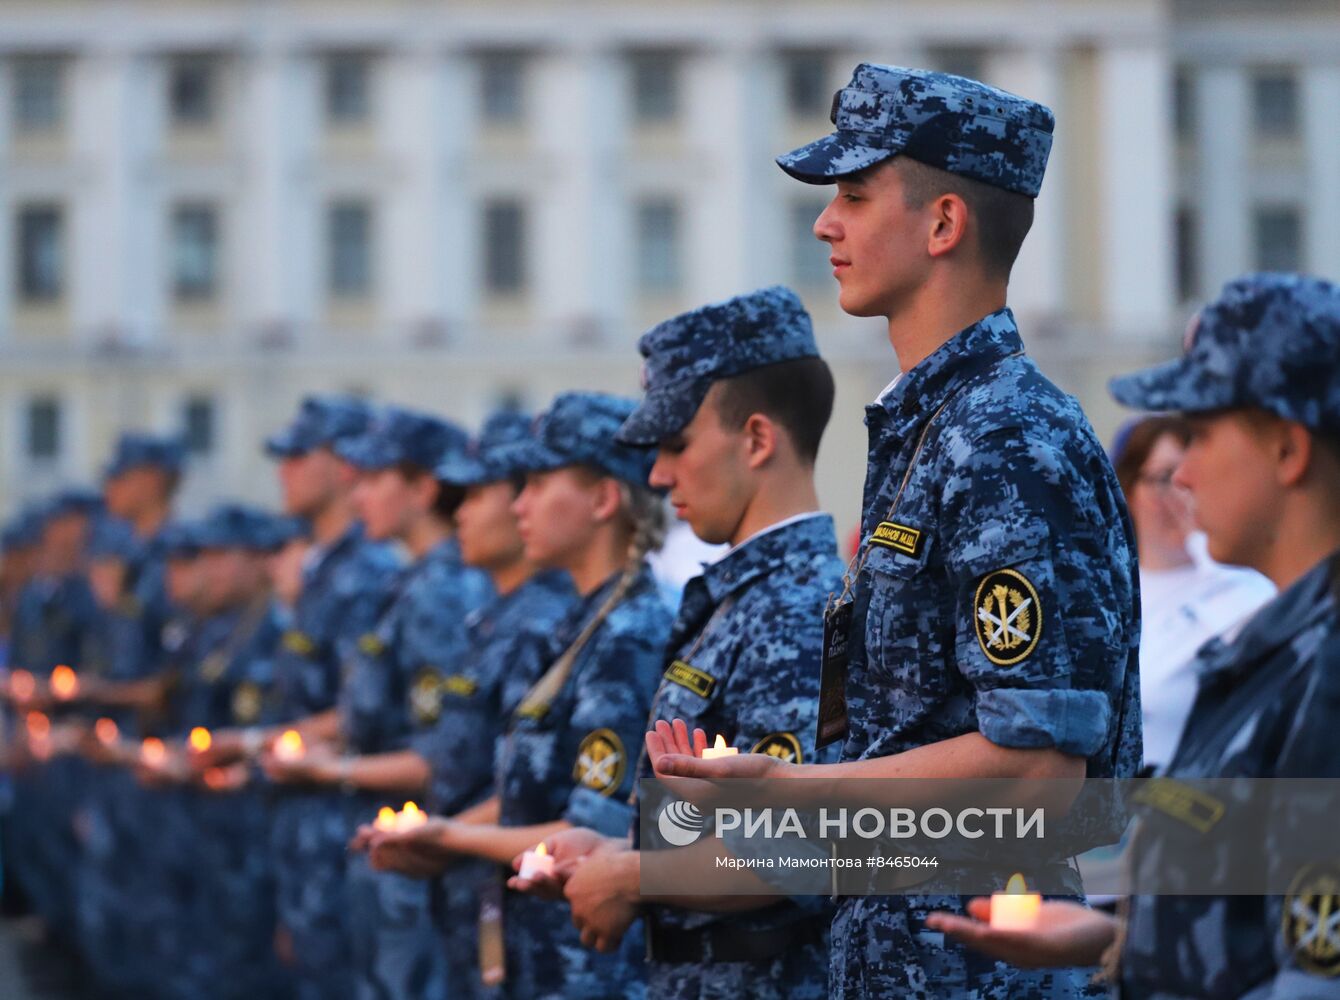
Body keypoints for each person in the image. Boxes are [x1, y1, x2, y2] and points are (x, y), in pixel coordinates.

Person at [649, 63, 1142, 998]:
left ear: (943, 224)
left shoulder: (1006, 437)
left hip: (973, 967)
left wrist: (795, 794)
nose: (826, 224)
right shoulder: (933, 430)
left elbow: (1038, 765)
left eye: (855, 194)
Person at [924, 272, 1340, 998]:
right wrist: (1116, 940)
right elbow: (1251, 930)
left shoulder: (1326, 671)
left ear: (1288, 450)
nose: (1183, 472)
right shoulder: (1279, 649)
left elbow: (1310, 975)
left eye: (1202, 435)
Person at [511, 286, 846, 999]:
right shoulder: (739, 599)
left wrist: (637, 874)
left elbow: (806, 847)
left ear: (757, 440)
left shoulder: (797, 605)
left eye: (676, 445)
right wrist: (619, 849)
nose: (659, 477)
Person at [358, 391, 673, 1000]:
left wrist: (444, 837)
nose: (518, 504)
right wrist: (439, 829)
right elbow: (522, 792)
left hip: (585, 962)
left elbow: (590, 824)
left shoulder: (630, 634)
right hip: (536, 949)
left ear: (605, 499)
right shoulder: (579, 626)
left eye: (535, 484)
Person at [263, 405, 493, 1000]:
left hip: (417, 852)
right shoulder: (411, 582)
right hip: (383, 848)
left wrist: (327, 767)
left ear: (422, 488)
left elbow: (443, 753)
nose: (356, 492)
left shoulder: (443, 590)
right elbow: (369, 713)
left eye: (372, 479)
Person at [348, 410, 576, 997]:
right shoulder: (493, 616)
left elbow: (538, 793)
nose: (461, 511)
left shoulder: (547, 622)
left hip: (522, 907)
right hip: (469, 889)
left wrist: (438, 831)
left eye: (478, 494)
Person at [253, 395, 401, 1000]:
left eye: (297, 456)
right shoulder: (321, 572)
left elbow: (365, 711)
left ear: (340, 466)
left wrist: (255, 744)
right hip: (308, 820)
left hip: (346, 821)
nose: (283, 470)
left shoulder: (365, 573)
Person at [1110, 416, 1274, 771]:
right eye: (1165, 478)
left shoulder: (1237, 588)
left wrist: (1203, 548)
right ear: (1129, 490)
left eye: (1193, 477)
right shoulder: (1112, 585)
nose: (1182, 494)